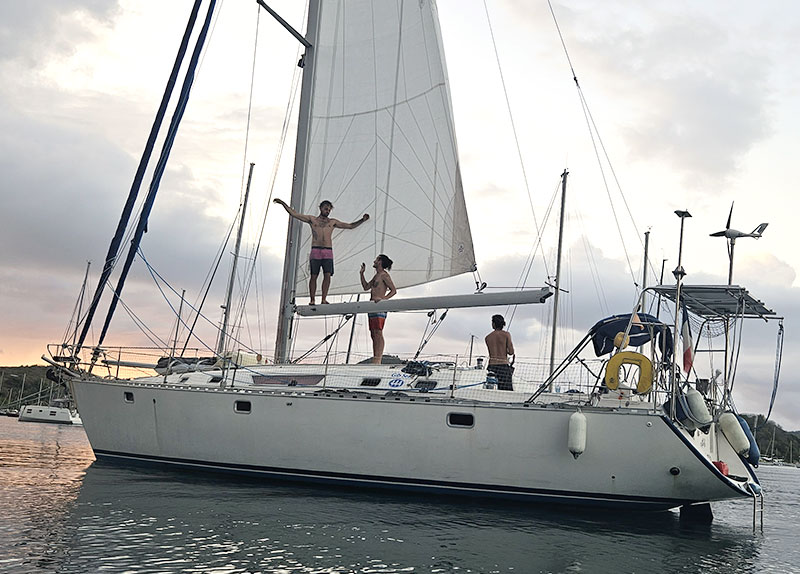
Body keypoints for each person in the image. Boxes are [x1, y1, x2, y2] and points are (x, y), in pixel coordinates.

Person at [273, 198, 369, 304]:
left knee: (327, 275)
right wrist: (282, 203)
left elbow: (350, 226)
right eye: (325, 209)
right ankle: (312, 299)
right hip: (316, 251)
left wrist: (362, 220)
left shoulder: (332, 222)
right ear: (320, 208)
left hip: (327, 251)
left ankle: (324, 298)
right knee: (314, 275)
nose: (327, 211)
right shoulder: (312, 219)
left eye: (329, 210)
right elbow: (294, 214)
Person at [360, 254, 397, 364]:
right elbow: (366, 287)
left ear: (380, 262)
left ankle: (378, 359)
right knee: (373, 332)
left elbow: (393, 290)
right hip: (372, 306)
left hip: (379, 306)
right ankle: (375, 357)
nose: (374, 261)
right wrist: (361, 274)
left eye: (376, 259)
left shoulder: (384, 275)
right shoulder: (377, 276)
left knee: (378, 332)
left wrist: (383, 299)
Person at [485, 314, 515, 390]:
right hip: (503, 366)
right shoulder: (506, 335)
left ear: (494, 324)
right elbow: (511, 352)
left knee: (491, 389)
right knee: (506, 391)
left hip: (492, 365)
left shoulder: (488, 337)